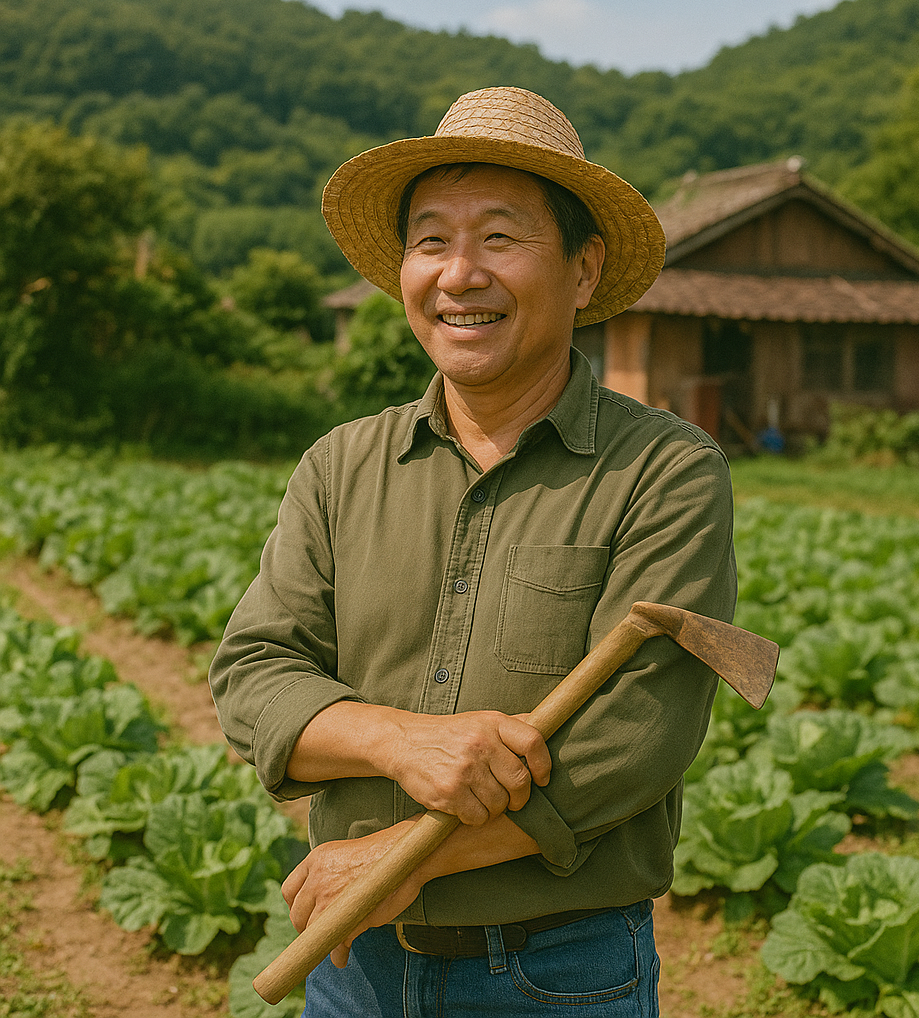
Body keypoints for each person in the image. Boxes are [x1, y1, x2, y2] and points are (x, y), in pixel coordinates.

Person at [209, 86, 737, 1017]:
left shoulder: (664, 469)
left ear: (583, 271)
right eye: (431, 241)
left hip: (560, 972)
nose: (459, 275)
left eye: (500, 238)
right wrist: (404, 741)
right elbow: (254, 671)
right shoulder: (340, 466)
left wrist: (395, 859)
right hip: (355, 967)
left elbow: (637, 737)